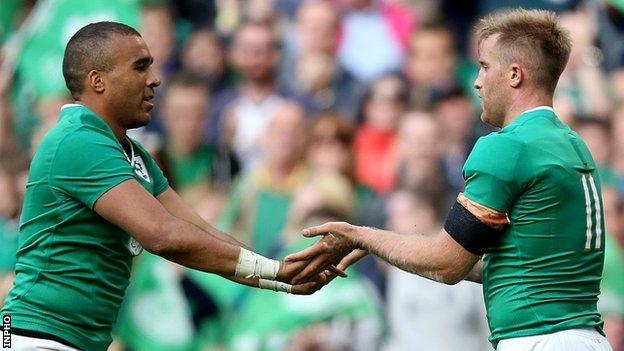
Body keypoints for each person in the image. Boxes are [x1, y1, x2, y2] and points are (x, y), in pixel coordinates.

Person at [287, 8, 614, 351]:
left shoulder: (508, 146)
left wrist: (360, 236)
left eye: (485, 66)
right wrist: (380, 245)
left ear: (515, 74)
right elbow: (508, 265)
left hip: (538, 340)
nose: (476, 81)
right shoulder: (573, 144)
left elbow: (449, 264)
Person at [0, 22, 337, 351]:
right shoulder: (77, 139)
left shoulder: (131, 153)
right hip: (33, 336)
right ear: (97, 81)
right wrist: (274, 271)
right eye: (139, 67)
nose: (154, 79)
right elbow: (162, 235)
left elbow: (199, 230)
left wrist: (281, 275)